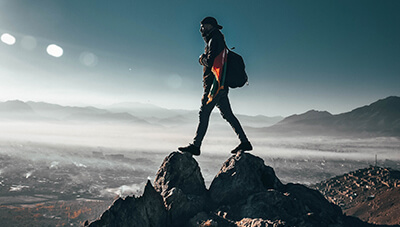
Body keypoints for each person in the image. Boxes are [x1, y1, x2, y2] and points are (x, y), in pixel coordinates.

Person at [178, 17, 252, 156]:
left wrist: (201, 58)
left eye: (203, 26)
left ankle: (196, 145)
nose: (201, 29)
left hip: (214, 86)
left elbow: (211, 62)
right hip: (220, 85)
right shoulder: (218, 39)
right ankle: (245, 142)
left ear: (210, 26)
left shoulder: (214, 40)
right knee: (228, 115)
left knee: (204, 113)